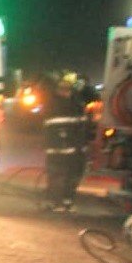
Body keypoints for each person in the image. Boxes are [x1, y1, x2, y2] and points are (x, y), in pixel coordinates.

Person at [41, 73, 90, 212]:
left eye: (67, 88)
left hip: (74, 149)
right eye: (62, 88)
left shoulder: (77, 104)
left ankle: (67, 201)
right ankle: (54, 202)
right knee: (56, 175)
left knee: (72, 176)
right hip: (57, 148)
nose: (65, 91)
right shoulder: (53, 104)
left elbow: (82, 127)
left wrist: (83, 147)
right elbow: (49, 127)